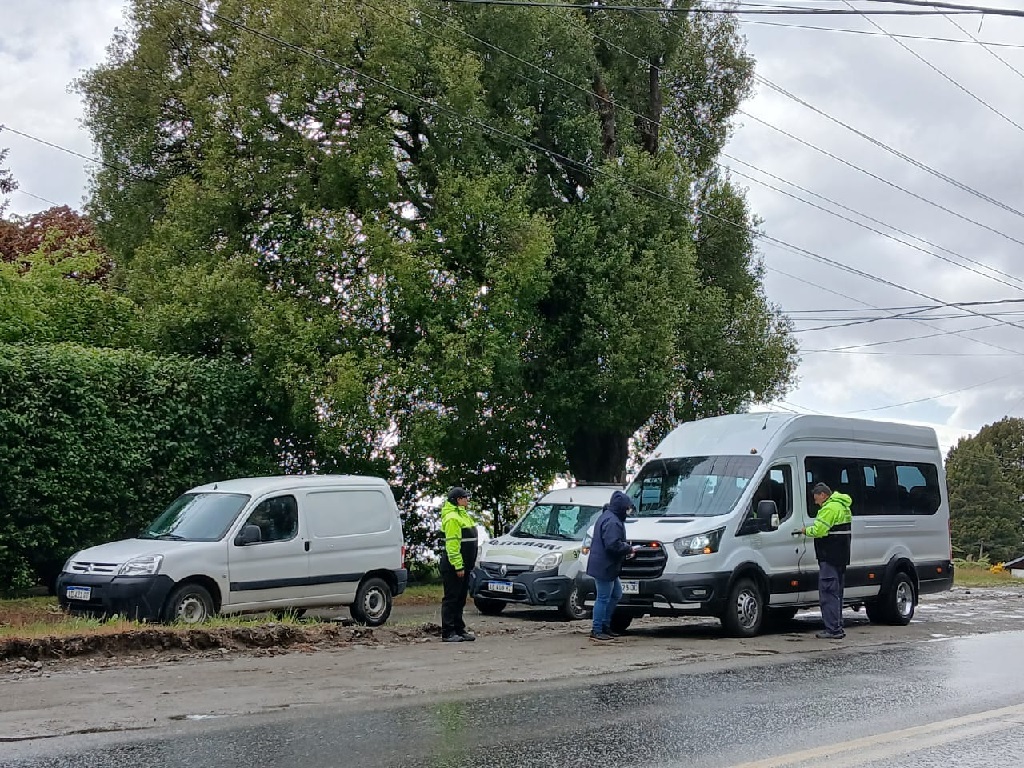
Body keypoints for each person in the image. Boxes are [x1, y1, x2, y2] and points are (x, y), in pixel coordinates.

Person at [796, 482, 853, 640]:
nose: (816, 502)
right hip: (841, 557)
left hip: (829, 556)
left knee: (828, 594)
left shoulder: (828, 508)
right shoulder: (843, 506)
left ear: (823, 495)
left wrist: (805, 530)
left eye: (816, 498)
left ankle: (833, 629)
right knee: (837, 594)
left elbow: (819, 530)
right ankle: (837, 625)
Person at [586, 490, 637, 642]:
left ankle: (604, 625)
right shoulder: (613, 521)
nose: (628, 511)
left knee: (615, 595)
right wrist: (629, 549)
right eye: (627, 508)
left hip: (605, 565)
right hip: (605, 566)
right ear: (622, 507)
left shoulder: (607, 516)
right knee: (603, 597)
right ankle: (597, 629)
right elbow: (612, 545)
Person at [439, 486, 478, 643]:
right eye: (464, 497)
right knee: (452, 598)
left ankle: (459, 629)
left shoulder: (463, 515)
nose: (467, 500)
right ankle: (448, 632)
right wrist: (458, 566)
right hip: (454, 566)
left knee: (461, 598)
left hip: (465, 566)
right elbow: (453, 545)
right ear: (457, 500)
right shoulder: (452, 518)